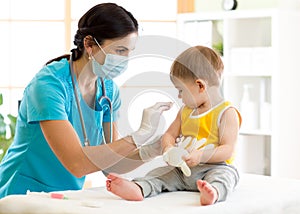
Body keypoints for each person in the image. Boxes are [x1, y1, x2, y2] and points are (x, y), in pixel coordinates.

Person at [0, 3, 172, 198]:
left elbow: (111, 164)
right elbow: (77, 163)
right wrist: (137, 136)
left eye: (129, 52)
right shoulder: (48, 85)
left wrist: (152, 149)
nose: (126, 59)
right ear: (89, 44)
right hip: (20, 195)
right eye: (120, 51)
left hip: (65, 196)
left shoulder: (108, 91)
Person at [106, 46, 242, 206]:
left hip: (212, 168)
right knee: (158, 174)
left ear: (200, 86)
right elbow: (169, 135)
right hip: (180, 170)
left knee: (226, 176)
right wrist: (169, 149)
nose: (179, 96)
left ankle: (213, 192)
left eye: (181, 90)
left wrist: (201, 156)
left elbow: (227, 150)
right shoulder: (185, 111)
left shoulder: (226, 112)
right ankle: (140, 187)